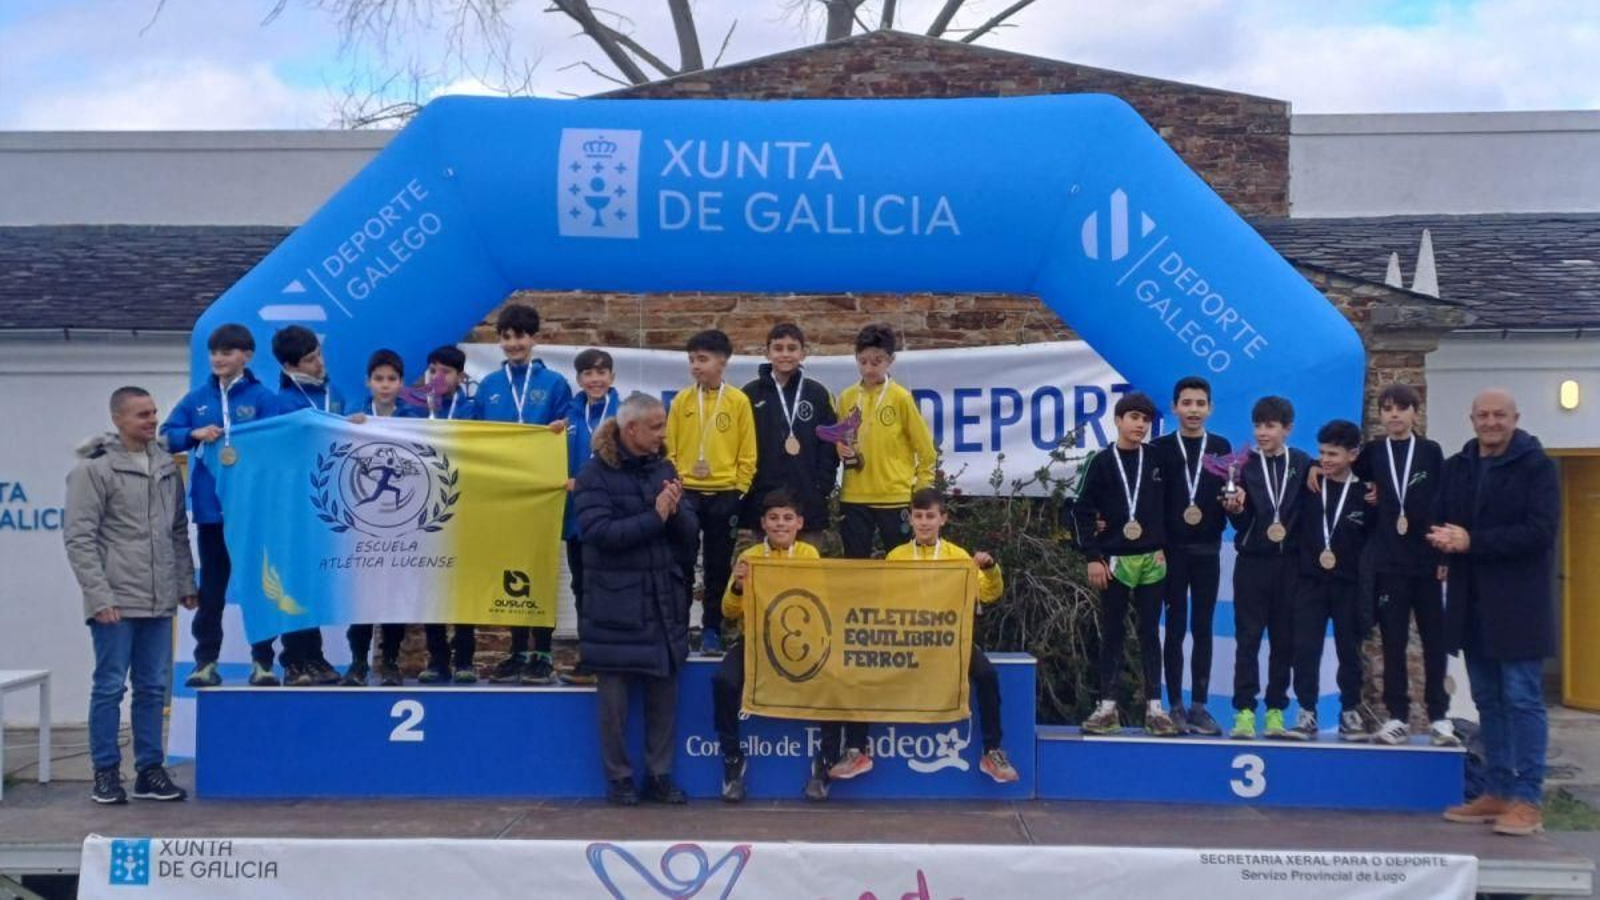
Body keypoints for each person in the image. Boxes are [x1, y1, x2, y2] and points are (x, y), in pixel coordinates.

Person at [1435, 389, 1559, 837]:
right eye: (1483, 415)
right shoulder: (1459, 466)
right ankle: (1497, 791)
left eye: (1499, 415)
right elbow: (1443, 515)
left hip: (1520, 606)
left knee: (1523, 700)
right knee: (1488, 701)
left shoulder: (1538, 467)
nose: (1490, 422)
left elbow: (1540, 532)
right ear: (1471, 419)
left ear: (1515, 418)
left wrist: (1472, 542)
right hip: (1473, 607)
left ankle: (1528, 799)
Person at [65, 387, 196, 805]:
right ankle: (105, 772)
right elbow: (79, 539)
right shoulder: (94, 471)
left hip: (158, 599)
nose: (152, 420)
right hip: (116, 601)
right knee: (108, 687)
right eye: (142, 414)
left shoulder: (164, 465)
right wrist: (99, 596)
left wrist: (186, 584)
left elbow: (177, 531)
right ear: (119, 419)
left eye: (154, 412)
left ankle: (149, 771)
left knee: (153, 688)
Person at [822, 323, 938, 784]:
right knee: (855, 571)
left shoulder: (902, 399)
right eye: (864, 360)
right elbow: (835, 444)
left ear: (890, 361)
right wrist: (843, 454)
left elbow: (924, 451)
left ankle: (904, 627)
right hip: (854, 497)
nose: (870, 368)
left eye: (877, 361)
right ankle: (858, 629)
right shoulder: (846, 396)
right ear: (857, 360)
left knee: (900, 572)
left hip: (893, 498)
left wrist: (917, 492)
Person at [574, 393, 698, 806]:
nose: (664, 434)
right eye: (657, 427)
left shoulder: (663, 466)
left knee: (665, 696)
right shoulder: (593, 474)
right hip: (615, 607)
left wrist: (678, 512)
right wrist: (656, 516)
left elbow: (687, 532)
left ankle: (660, 775)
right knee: (614, 702)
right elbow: (599, 534)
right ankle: (620, 778)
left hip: (662, 599)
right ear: (631, 430)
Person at [161, 323, 280, 688]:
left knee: (258, 588)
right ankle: (205, 662)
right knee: (212, 589)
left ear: (247, 355)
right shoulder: (196, 399)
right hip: (213, 510)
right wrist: (192, 434)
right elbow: (166, 437)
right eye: (213, 352)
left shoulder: (262, 398)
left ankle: (263, 663)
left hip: (251, 511)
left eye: (227, 352)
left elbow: (278, 445)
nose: (218, 359)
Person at [887, 489, 1018, 783]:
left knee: (986, 675)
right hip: (906, 641)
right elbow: (887, 597)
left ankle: (992, 750)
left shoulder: (958, 556)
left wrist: (990, 568)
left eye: (930, 516)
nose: (923, 523)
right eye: (918, 516)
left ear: (942, 519)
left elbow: (987, 592)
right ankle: (856, 749)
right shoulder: (896, 556)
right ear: (911, 518)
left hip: (949, 642)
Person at [477, 304, 572, 685]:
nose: (513, 343)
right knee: (509, 573)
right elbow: (476, 437)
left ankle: (543, 653)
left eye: (520, 336)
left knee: (540, 571)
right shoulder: (488, 386)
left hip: (541, 494)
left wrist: (561, 429)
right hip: (503, 496)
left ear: (533, 338)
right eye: (506, 336)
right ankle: (517, 651)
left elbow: (570, 431)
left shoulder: (554, 384)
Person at [1356, 384, 1455, 747]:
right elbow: (1351, 483)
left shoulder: (1430, 452)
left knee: (1434, 642)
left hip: (1427, 563)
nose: (1394, 415)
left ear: (1416, 412)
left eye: (1401, 409)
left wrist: (1444, 555)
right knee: (1393, 642)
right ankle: (1396, 717)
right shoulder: (1372, 453)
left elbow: (1442, 504)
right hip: (1389, 564)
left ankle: (1440, 717)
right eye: (1387, 409)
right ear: (1380, 415)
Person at [1074, 392, 1176, 737]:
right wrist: (1093, 556)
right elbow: (1079, 510)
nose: (1140, 424)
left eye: (1146, 419)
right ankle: (1107, 707)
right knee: (1113, 633)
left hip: (1153, 559)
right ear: (1118, 420)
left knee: (1150, 632)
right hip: (1114, 560)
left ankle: (1155, 709)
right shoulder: (1101, 461)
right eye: (1133, 417)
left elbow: (1180, 499)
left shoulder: (1160, 459)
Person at [713, 489, 821, 803]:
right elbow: (728, 612)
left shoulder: (809, 556)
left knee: (835, 680)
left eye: (787, 518)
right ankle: (733, 760)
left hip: (802, 643)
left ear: (799, 523)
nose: (780, 524)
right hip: (757, 642)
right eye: (773, 518)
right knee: (723, 681)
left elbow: (819, 601)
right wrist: (736, 585)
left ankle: (826, 760)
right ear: (763, 523)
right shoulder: (749, 558)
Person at [664, 329, 757, 658]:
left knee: (719, 568)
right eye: (691, 360)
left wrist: (739, 490)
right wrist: (677, 485)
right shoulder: (682, 401)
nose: (695, 366)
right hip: (688, 495)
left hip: (725, 495)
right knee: (682, 564)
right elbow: (669, 450)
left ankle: (712, 630)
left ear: (723, 361)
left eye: (702, 359)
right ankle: (677, 627)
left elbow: (748, 453)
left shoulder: (738, 401)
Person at [1223, 396, 1311, 740]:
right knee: (1248, 639)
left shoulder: (1303, 464)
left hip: (1289, 565)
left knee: (1283, 641)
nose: (1262, 432)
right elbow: (1240, 522)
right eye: (1258, 425)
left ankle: (1276, 710)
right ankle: (1244, 711)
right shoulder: (1242, 466)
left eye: (1270, 426)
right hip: (1252, 564)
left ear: (1287, 429)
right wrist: (1234, 509)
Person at [1151, 376, 1232, 735]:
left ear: (1210, 408)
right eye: (1187, 403)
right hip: (1172, 554)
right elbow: (1150, 504)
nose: (1194, 410)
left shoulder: (1221, 446)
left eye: (1200, 404)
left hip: (1208, 552)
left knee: (1202, 628)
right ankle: (1176, 706)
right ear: (1174, 407)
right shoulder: (1160, 449)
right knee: (1175, 629)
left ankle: (1199, 705)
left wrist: (1236, 504)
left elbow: (1231, 501)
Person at [1286, 420, 1372, 741]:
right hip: (1310, 582)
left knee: (1349, 650)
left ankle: (1350, 710)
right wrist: (1310, 464)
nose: (1326, 459)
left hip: (1348, 584)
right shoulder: (1310, 486)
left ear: (1353, 454)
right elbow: (1292, 461)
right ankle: (1306, 712)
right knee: (1305, 648)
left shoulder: (1366, 494)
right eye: (1321, 453)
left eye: (1333, 454)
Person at [343, 349, 423, 686]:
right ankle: (358, 663)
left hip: (400, 523)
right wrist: (348, 428)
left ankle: (389, 662)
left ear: (401, 383)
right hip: (363, 526)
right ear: (368, 382)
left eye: (391, 379)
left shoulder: (414, 420)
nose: (385, 385)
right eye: (379, 379)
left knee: (393, 597)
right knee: (362, 599)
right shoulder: (353, 417)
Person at [270, 324, 344, 687]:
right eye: (310, 360)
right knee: (294, 582)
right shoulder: (280, 404)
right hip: (291, 507)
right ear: (289, 366)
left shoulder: (334, 394)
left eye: (318, 354)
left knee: (314, 583)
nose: (319, 363)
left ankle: (314, 655)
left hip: (328, 504)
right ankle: (295, 659)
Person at [418, 344, 483, 685]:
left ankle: (465, 659)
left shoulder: (474, 410)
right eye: (433, 370)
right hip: (424, 510)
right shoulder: (414, 411)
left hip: (465, 507)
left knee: (463, 586)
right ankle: (436, 657)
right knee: (431, 585)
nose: (438, 377)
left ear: (460, 377)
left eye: (446, 371)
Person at [740, 323, 839, 546]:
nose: (785, 354)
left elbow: (829, 444)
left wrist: (822, 486)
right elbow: (740, 444)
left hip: (807, 499)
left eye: (792, 348)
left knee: (806, 572)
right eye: (778, 348)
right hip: (762, 499)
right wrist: (748, 487)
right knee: (764, 571)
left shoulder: (817, 394)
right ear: (767, 352)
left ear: (803, 352)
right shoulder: (749, 394)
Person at [560, 348, 621, 685]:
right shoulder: (567, 416)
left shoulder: (625, 414)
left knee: (609, 587)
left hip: (612, 519)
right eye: (587, 373)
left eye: (601, 372)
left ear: (612, 377)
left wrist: (585, 482)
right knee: (581, 587)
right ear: (579, 379)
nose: (595, 379)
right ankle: (588, 658)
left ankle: (611, 658)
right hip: (576, 520)